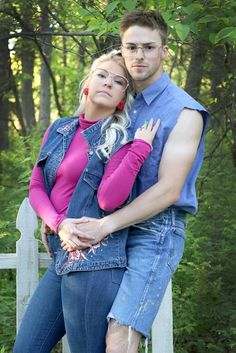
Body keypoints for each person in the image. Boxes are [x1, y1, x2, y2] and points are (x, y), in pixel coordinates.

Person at [65, 10, 210, 353]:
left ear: (165, 50)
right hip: (109, 227)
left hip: (154, 233)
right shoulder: (119, 103)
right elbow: (79, 162)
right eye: (131, 47)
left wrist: (106, 225)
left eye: (148, 47)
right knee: (84, 328)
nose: (139, 56)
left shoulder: (184, 112)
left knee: (120, 339)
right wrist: (56, 218)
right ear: (122, 48)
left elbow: (169, 189)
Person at [13, 50, 160, 353]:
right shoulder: (60, 128)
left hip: (97, 263)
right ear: (87, 84)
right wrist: (57, 222)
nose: (108, 83)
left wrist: (139, 149)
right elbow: (37, 185)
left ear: (122, 98)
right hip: (62, 256)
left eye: (118, 81)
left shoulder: (120, 137)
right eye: (102, 75)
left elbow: (109, 199)